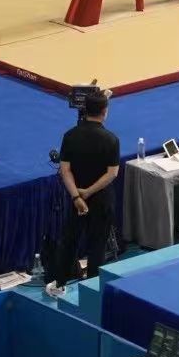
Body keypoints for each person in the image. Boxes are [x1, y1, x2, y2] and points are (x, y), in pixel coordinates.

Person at [48, 90, 120, 295]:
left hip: (76, 200)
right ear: (105, 112)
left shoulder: (70, 136)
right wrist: (88, 192)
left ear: (84, 110)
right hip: (101, 199)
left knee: (70, 240)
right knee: (98, 245)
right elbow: (112, 173)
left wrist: (77, 196)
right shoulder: (111, 140)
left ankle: (59, 284)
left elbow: (65, 170)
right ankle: (93, 290)